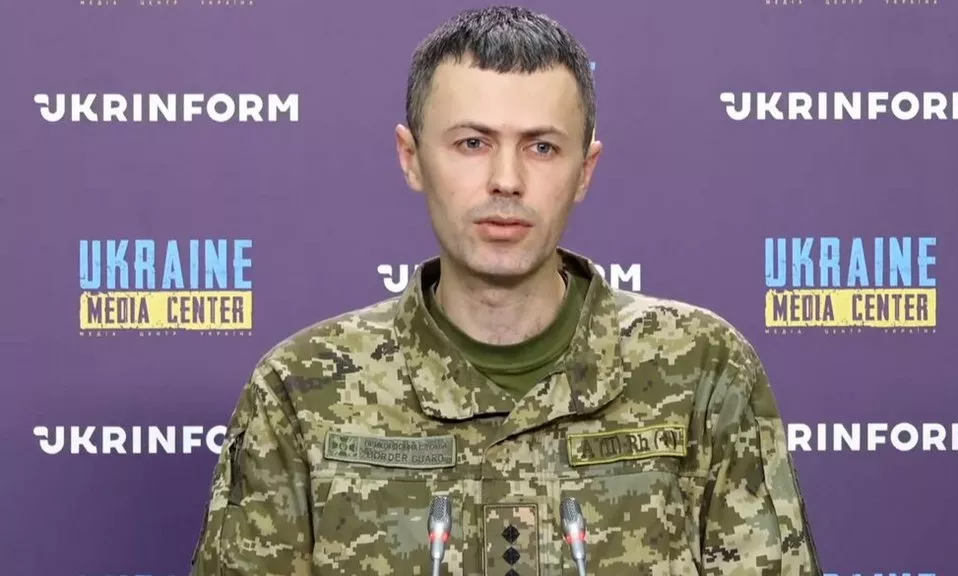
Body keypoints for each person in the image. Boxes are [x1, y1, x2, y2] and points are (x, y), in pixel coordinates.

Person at [188, 5, 822, 575]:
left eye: (542, 147)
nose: (506, 180)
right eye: (472, 143)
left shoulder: (702, 369)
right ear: (411, 158)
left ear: (584, 171)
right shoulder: (302, 390)